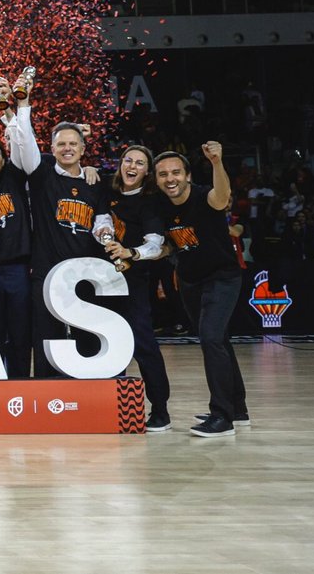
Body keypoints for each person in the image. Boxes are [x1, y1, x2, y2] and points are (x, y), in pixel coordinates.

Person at [3, 75, 107, 376]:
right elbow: (25, 142)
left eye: (73, 143)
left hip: (86, 271)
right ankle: (48, 396)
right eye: (61, 144)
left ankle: (89, 393)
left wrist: (106, 234)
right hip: (47, 271)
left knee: (89, 337)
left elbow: (102, 219)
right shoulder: (42, 175)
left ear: (83, 148)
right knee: (47, 337)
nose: (67, 148)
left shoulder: (96, 182)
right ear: (51, 148)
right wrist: (24, 105)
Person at [154, 144, 248, 438]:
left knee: (211, 339)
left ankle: (222, 417)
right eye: (163, 174)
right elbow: (170, 245)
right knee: (218, 340)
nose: (170, 179)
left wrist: (217, 162)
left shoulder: (203, 196)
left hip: (221, 277)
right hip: (190, 281)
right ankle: (238, 409)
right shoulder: (160, 205)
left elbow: (221, 196)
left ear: (188, 175)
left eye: (176, 172)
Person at [94, 144, 172, 432]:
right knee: (108, 343)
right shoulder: (108, 189)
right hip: (103, 280)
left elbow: (155, 244)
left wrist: (131, 253)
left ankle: (160, 409)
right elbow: (101, 221)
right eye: (128, 160)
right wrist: (105, 236)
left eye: (140, 163)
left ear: (147, 171)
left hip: (134, 281)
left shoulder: (150, 201)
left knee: (143, 343)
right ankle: (115, 408)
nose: (132, 166)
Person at [0, 138, 33, 376]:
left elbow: (23, 148)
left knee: (20, 331)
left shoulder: (14, 179)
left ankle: (20, 382)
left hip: (18, 268)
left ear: (4, 160)